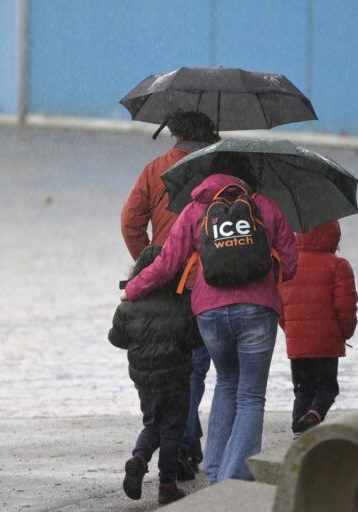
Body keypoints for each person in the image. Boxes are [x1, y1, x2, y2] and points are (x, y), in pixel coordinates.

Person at [121, 172, 298, 484]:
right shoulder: (266, 207)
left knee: (226, 383)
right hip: (257, 310)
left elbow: (166, 263)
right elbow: (291, 264)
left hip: (209, 312)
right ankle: (235, 479)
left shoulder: (195, 209)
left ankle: (215, 474)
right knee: (251, 395)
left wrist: (133, 289)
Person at [120, 110, 219, 477]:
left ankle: (178, 446)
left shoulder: (155, 169)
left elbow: (130, 223)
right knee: (197, 368)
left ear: (174, 132)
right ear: (210, 132)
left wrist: (150, 261)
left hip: (166, 281)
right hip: (210, 282)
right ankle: (186, 447)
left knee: (174, 368)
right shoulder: (220, 173)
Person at [108, 245, 202, 505]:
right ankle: (167, 486)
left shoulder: (129, 305)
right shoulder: (181, 301)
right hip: (175, 378)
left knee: (152, 425)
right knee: (172, 430)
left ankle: (139, 459)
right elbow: (195, 340)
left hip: (145, 380)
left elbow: (115, 339)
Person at [278, 220, 358, 437]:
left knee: (302, 390)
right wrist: (345, 333)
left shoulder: (288, 264)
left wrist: (292, 331)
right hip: (327, 343)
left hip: (298, 341)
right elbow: (346, 307)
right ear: (333, 236)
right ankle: (313, 416)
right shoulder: (339, 266)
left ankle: (298, 433)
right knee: (328, 388)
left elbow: (279, 305)